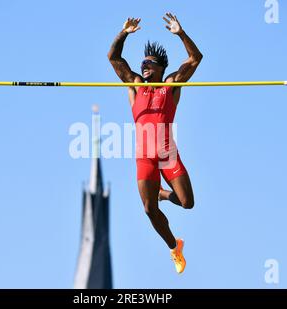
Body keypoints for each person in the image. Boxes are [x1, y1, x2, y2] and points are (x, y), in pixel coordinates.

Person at [108, 13, 203, 274]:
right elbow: (114, 58)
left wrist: (181, 33)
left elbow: (196, 59)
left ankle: (161, 192)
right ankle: (175, 247)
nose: (144, 66)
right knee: (149, 210)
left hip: (167, 153)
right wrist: (123, 33)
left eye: (149, 63)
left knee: (187, 203)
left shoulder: (171, 84)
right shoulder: (136, 85)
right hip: (145, 156)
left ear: (161, 67)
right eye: (143, 63)